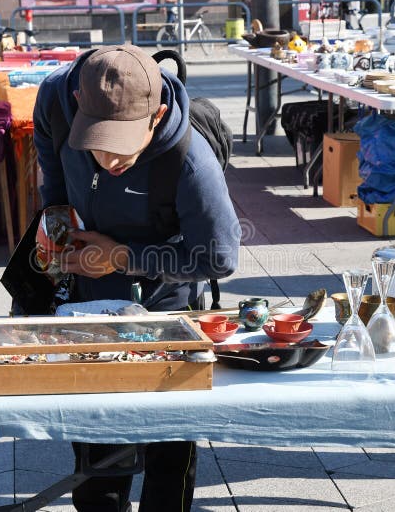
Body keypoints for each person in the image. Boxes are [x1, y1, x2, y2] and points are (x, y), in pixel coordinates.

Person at [32, 44, 240, 511]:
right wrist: (60, 237)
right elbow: (55, 186)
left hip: (168, 301)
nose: (107, 160)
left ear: (157, 116)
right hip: (85, 305)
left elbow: (220, 258)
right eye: (95, 141)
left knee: (169, 446)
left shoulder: (191, 161)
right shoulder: (54, 99)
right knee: (96, 451)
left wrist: (123, 257)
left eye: (122, 146)